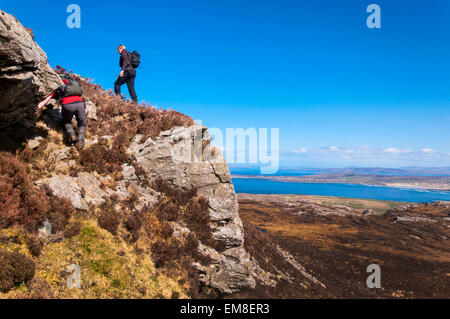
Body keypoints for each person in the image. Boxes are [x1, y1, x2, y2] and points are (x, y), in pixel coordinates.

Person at [36, 75, 87, 150]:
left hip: (67, 104)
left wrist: (37, 108)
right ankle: (80, 142)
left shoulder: (58, 84)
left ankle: (72, 136)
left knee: (67, 121)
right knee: (82, 123)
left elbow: (47, 98)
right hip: (80, 103)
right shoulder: (73, 83)